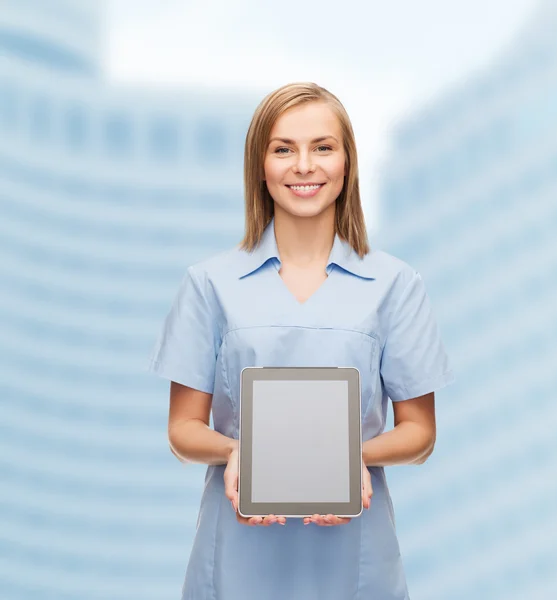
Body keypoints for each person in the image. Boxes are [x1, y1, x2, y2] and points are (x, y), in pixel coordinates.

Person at [147, 81, 455, 600]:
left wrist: (347, 457)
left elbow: (420, 434)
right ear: (260, 167)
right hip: (237, 556)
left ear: (347, 163)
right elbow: (182, 430)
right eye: (283, 149)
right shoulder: (210, 284)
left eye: (323, 147)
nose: (304, 166)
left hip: (355, 558)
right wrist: (241, 452)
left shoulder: (395, 285)